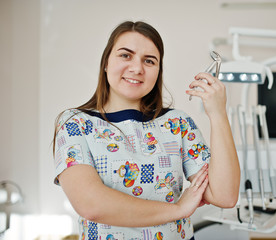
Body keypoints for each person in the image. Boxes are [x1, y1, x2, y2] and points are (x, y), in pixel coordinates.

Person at [53, 21, 240, 240]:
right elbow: (91, 204)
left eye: (149, 61)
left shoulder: (178, 123)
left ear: (158, 71)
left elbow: (225, 196)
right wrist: (177, 210)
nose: (137, 68)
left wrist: (218, 114)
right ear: (106, 63)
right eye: (125, 55)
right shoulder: (76, 124)